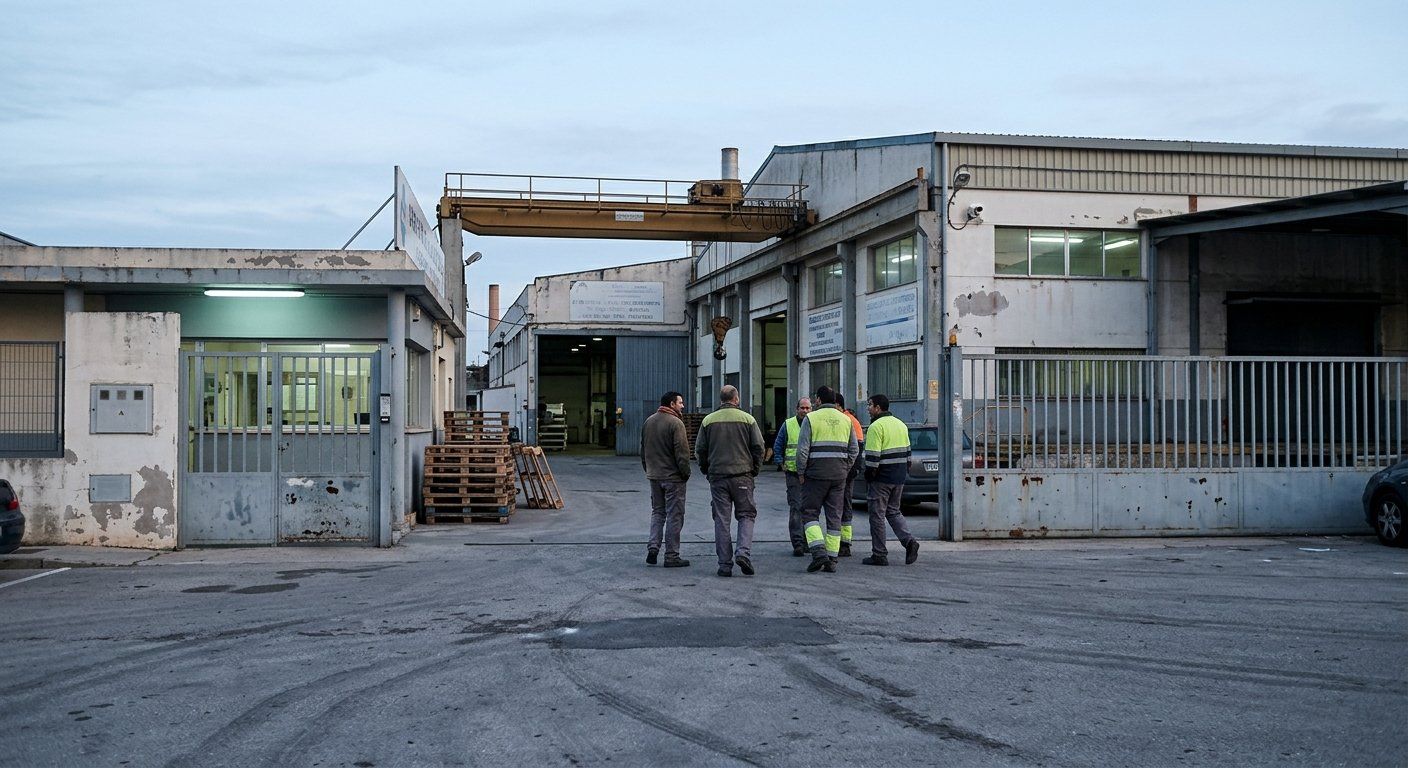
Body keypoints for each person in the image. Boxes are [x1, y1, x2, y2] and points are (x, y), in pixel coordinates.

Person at [695, 385, 766, 577]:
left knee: (721, 520)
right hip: (743, 475)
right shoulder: (748, 419)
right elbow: (759, 447)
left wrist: (707, 471)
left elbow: (700, 449)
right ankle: (743, 552)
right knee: (746, 515)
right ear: (736, 399)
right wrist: (754, 470)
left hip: (718, 477)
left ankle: (725, 565)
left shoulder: (708, 420)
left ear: (721, 400)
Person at [795, 385, 859, 573]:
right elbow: (854, 450)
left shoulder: (811, 418)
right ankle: (832, 559)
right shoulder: (846, 420)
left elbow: (803, 450)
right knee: (834, 517)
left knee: (809, 513)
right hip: (839, 476)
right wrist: (844, 468)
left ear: (818, 400)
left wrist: (801, 472)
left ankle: (818, 552)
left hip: (815, 475)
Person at [861, 394, 920, 566]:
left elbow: (872, 459)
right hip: (899, 476)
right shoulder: (901, 424)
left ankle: (879, 554)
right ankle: (909, 542)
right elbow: (909, 454)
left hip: (881, 479)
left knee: (877, 516)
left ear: (878, 408)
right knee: (893, 511)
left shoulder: (875, 427)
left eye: (870, 405)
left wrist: (869, 476)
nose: (868, 408)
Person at [640, 390, 691, 567]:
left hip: (654, 476)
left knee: (658, 512)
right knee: (674, 516)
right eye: (680, 403)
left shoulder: (649, 421)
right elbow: (682, 453)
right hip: (673, 478)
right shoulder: (676, 423)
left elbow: (643, 450)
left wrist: (649, 470)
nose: (683, 406)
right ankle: (671, 555)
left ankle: (653, 547)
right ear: (672, 404)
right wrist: (685, 473)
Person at [772, 395, 813, 556]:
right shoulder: (788, 424)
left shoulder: (814, 423)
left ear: (811, 409)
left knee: (810, 510)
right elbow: (778, 444)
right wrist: (780, 462)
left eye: (807, 408)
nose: (805, 410)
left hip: (811, 474)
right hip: (794, 474)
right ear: (797, 409)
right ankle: (798, 543)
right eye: (802, 408)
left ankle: (809, 542)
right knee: (796, 508)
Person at [835, 393, 865, 558]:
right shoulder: (850, 420)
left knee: (842, 506)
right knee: (843, 506)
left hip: (844, 471)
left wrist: (849, 470)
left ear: (838, 405)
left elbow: (856, 451)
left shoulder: (848, 420)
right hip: (846, 470)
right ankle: (842, 542)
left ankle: (844, 543)